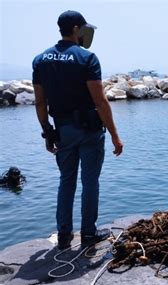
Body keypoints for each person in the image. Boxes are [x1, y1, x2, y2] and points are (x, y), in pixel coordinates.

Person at [32, 10, 123, 250]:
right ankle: (89, 234)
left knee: (66, 181)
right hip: (90, 131)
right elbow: (100, 101)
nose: (84, 32)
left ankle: (64, 236)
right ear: (75, 29)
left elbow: (40, 102)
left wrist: (47, 132)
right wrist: (115, 135)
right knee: (90, 181)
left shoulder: (40, 60)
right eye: (82, 28)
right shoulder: (87, 58)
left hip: (62, 130)